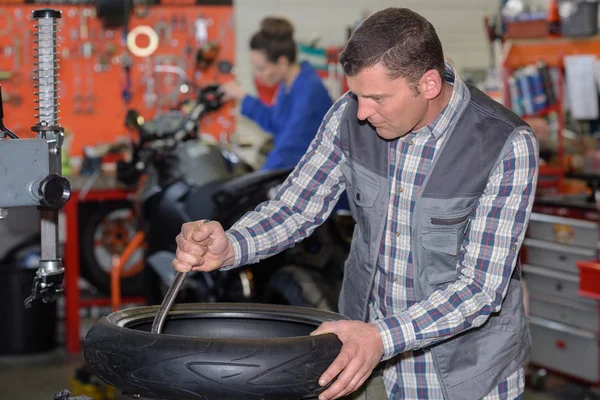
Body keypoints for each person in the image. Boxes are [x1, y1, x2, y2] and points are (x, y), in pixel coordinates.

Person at [173, 8, 538, 400]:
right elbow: (296, 207)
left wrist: (382, 337)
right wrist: (233, 244)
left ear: (429, 84)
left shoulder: (504, 144)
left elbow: (479, 288)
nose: (362, 112)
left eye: (377, 97)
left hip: (464, 377)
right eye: (357, 95)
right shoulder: (349, 115)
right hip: (365, 363)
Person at [220, 16, 333, 171]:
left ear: (282, 62)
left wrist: (254, 183)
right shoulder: (288, 85)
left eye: (261, 68)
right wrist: (241, 96)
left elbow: (288, 150)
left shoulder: (308, 93)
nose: (258, 75)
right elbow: (274, 121)